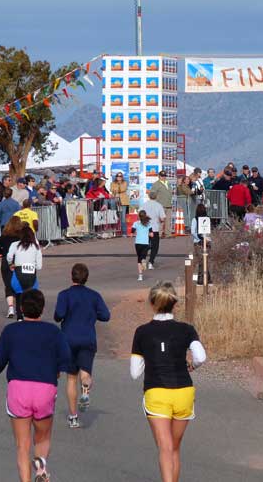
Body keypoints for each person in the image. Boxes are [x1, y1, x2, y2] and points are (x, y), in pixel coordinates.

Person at [130, 281, 206, 482]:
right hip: (183, 392)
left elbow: (134, 372)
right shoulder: (186, 329)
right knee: (174, 448)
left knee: (164, 448)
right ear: (175, 303)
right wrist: (192, 366)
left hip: (157, 392)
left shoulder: (142, 332)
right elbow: (200, 356)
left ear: (152, 303)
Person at [0, 289, 71, 482]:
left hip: (19, 388)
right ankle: (41, 468)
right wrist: (56, 370)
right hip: (45, 387)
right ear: (42, 309)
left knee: (22, 445)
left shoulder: (10, 331)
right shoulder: (53, 331)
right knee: (42, 438)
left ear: (21, 308)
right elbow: (66, 359)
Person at [54, 263, 110, 429]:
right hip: (87, 338)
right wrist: (93, 314)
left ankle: (73, 417)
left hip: (68, 339)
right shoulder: (94, 296)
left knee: (71, 378)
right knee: (85, 373)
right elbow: (106, 316)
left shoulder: (64, 295)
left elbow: (58, 316)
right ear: (86, 278)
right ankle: (85, 389)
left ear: (72, 276)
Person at [7, 226, 42, 320]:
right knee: (31, 295)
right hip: (31, 276)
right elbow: (39, 266)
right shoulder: (36, 246)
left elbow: (9, 257)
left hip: (18, 273)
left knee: (18, 295)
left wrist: (11, 264)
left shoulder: (15, 244)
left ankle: (19, 317)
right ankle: (32, 315)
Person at [0, 216, 24, 318]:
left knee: (8, 285)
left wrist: (4, 252)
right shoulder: (21, 236)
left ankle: (11, 308)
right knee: (19, 285)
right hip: (19, 261)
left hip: (5, 262)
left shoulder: (4, 235)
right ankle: (20, 308)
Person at [140, 191, 166, 269]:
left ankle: (143, 259)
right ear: (156, 197)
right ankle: (151, 262)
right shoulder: (159, 205)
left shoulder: (144, 205)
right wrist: (160, 221)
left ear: (149, 196)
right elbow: (163, 218)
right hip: (155, 229)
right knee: (155, 246)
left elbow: (140, 214)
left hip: (145, 228)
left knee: (145, 245)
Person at [191, 204, 212, 285]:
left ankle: (201, 279)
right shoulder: (208, 219)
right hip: (208, 241)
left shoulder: (194, 219)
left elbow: (193, 231)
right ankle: (207, 278)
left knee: (201, 261)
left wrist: (199, 238)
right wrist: (206, 238)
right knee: (205, 260)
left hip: (198, 242)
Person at [131, 210, 154, 282]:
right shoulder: (148, 224)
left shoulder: (135, 223)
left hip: (138, 243)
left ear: (139, 216)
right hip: (145, 243)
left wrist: (137, 233)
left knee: (139, 259)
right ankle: (144, 261)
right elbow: (151, 234)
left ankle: (140, 276)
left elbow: (132, 232)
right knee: (143, 257)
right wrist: (147, 234)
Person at [151, 171, 173, 238]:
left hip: (168, 204)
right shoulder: (156, 184)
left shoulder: (168, 183)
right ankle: (159, 234)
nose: (163, 177)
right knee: (160, 221)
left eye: (164, 176)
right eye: (162, 176)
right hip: (160, 205)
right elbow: (152, 194)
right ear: (159, 176)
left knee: (168, 220)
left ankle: (168, 234)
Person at [110, 172, 130, 237]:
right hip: (115, 201)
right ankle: (115, 232)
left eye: (120, 176)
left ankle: (124, 233)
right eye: (118, 176)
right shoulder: (112, 183)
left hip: (123, 201)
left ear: (122, 177)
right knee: (115, 217)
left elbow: (123, 189)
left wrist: (117, 189)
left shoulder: (125, 182)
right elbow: (111, 189)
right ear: (116, 177)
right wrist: (117, 190)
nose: (119, 177)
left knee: (123, 217)